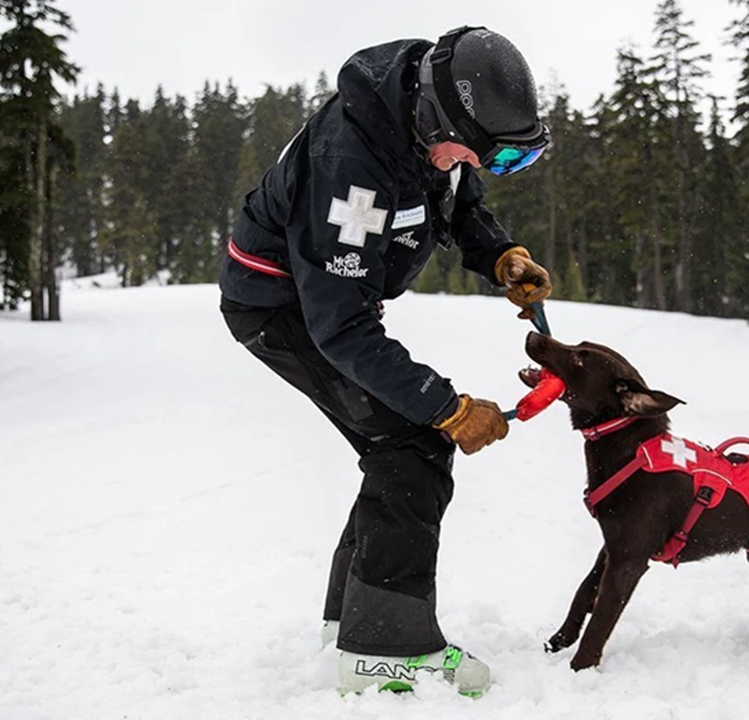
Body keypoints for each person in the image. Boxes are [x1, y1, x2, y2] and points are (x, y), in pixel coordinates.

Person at [218, 26, 552, 697]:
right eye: (484, 154)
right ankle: (384, 648)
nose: (483, 166)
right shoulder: (353, 166)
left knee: (400, 442)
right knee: (413, 440)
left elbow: (460, 202)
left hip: (330, 307)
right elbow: (337, 326)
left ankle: (353, 629)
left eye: (506, 160)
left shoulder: (433, 130)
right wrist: (449, 408)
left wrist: (499, 255)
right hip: (282, 310)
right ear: (434, 118)